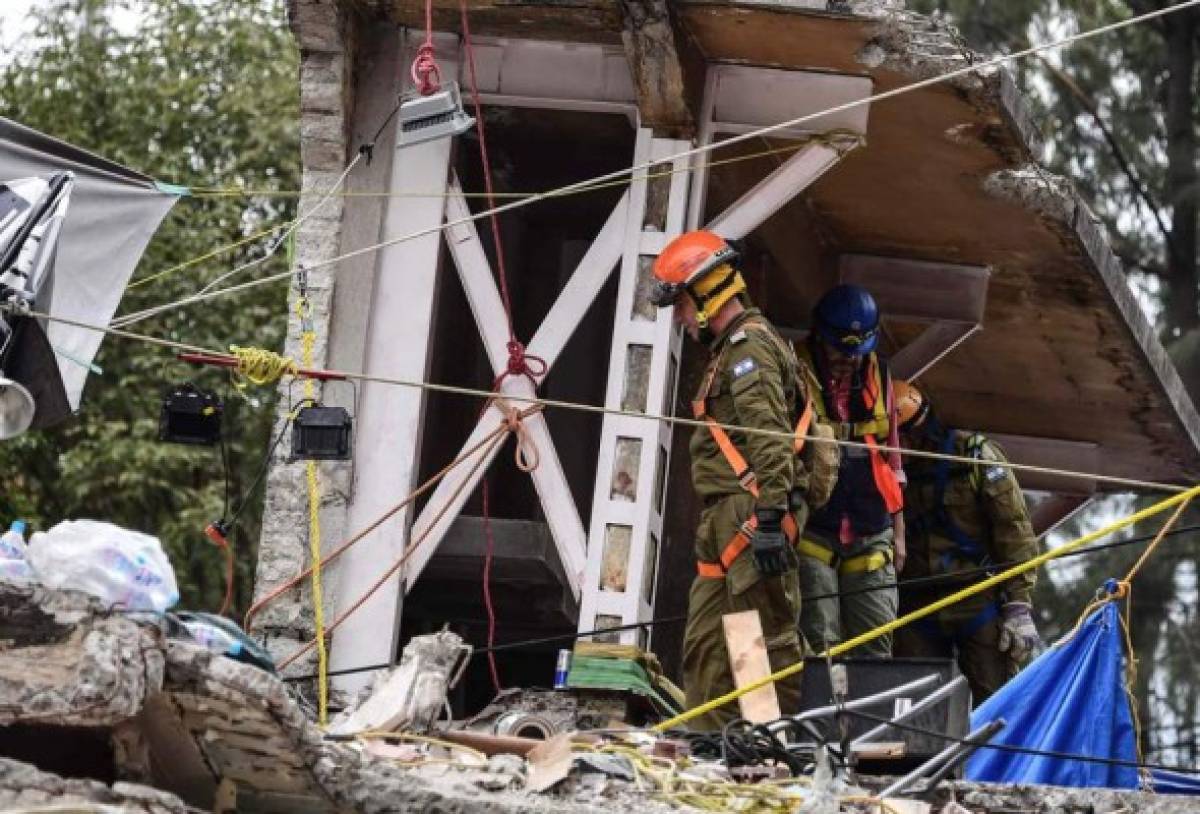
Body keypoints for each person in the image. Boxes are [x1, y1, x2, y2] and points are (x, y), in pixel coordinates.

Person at [649, 229, 813, 731]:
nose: (678, 318)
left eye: (681, 305)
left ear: (705, 294)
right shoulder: (731, 351)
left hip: (750, 512)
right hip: (726, 518)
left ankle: (771, 744)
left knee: (759, 642)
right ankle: (706, 740)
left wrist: (769, 517)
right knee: (706, 641)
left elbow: (768, 438)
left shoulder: (749, 350)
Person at [892, 380, 1043, 703]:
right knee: (918, 714)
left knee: (998, 701)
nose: (904, 444)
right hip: (916, 604)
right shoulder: (885, 470)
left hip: (975, 595)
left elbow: (1013, 529)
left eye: (909, 435)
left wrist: (1018, 605)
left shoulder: (974, 456)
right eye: (896, 437)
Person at [794, 284, 905, 657]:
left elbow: (893, 460)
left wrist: (898, 534)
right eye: (839, 350)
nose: (849, 360)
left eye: (856, 352)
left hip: (871, 529)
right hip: (813, 529)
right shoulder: (794, 371)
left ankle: (869, 716)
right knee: (819, 646)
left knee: (874, 648)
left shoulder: (881, 375)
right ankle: (820, 716)